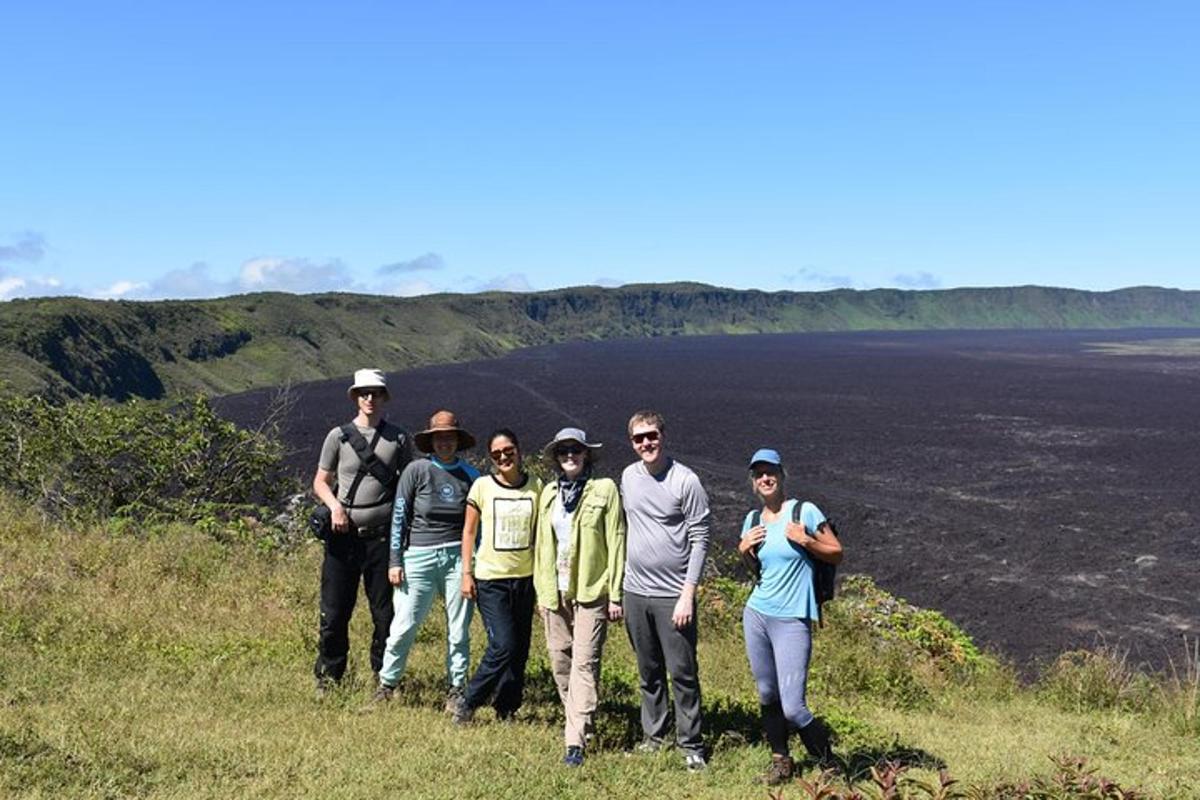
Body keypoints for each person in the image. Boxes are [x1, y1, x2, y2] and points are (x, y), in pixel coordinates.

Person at [737, 448, 843, 784]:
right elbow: (759, 569)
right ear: (754, 483)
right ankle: (781, 762)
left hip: (792, 619)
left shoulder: (804, 511)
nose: (765, 479)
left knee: (793, 706)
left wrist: (807, 540)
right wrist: (743, 552)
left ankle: (830, 765)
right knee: (767, 694)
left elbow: (836, 552)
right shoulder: (752, 521)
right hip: (757, 614)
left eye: (771, 473)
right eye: (759, 475)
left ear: (782, 476)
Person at [621, 410, 711, 771]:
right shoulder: (628, 476)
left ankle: (691, 744)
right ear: (632, 442)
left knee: (683, 673)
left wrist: (687, 594)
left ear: (664, 435)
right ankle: (654, 737)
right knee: (648, 672)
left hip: (673, 595)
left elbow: (700, 537)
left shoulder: (686, 481)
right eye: (639, 438)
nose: (647, 443)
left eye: (652, 435)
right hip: (634, 591)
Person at [312, 369, 412, 694]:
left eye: (376, 393)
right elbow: (320, 481)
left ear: (384, 397)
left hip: (381, 540)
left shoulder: (398, 438)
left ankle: (384, 679)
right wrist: (336, 507)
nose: (370, 398)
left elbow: (409, 484)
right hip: (342, 538)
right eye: (364, 393)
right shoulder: (338, 437)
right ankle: (329, 678)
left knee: (384, 614)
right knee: (334, 612)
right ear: (356, 397)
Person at [372, 410, 480, 709]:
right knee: (404, 625)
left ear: (458, 440)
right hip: (418, 557)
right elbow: (399, 516)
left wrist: (474, 566)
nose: (444, 443)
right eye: (439, 438)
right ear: (430, 442)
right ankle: (387, 684)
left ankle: (457, 687)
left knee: (458, 629)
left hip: (457, 558)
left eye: (450, 437)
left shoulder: (471, 476)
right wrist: (395, 560)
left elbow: (477, 525)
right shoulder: (416, 471)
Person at [533, 427, 626, 768]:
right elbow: (542, 546)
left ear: (587, 454)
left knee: (584, 662)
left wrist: (615, 594)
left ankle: (574, 742)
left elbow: (617, 539)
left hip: (592, 589)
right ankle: (581, 719)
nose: (569, 455)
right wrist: (541, 592)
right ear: (556, 458)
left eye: (575, 450)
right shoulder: (549, 494)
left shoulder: (604, 489)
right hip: (554, 590)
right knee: (560, 660)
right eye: (563, 451)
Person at [453, 429, 542, 723]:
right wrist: (467, 573)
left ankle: (507, 708)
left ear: (518, 450)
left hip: (526, 578)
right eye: (496, 454)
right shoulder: (481, 487)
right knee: (502, 644)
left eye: (508, 451)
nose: (503, 457)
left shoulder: (536, 486)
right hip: (491, 579)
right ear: (491, 457)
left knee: (520, 648)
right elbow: (468, 532)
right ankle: (468, 701)